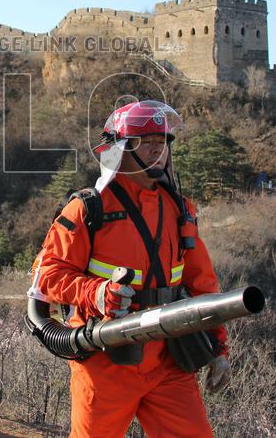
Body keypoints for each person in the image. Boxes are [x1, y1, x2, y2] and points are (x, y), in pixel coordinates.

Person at [30, 100, 230, 438]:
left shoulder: (179, 210)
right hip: (105, 357)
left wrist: (218, 349)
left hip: (170, 359)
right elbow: (48, 275)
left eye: (164, 141)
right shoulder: (88, 208)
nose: (159, 149)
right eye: (146, 141)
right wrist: (96, 293)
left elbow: (203, 286)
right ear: (121, 148)